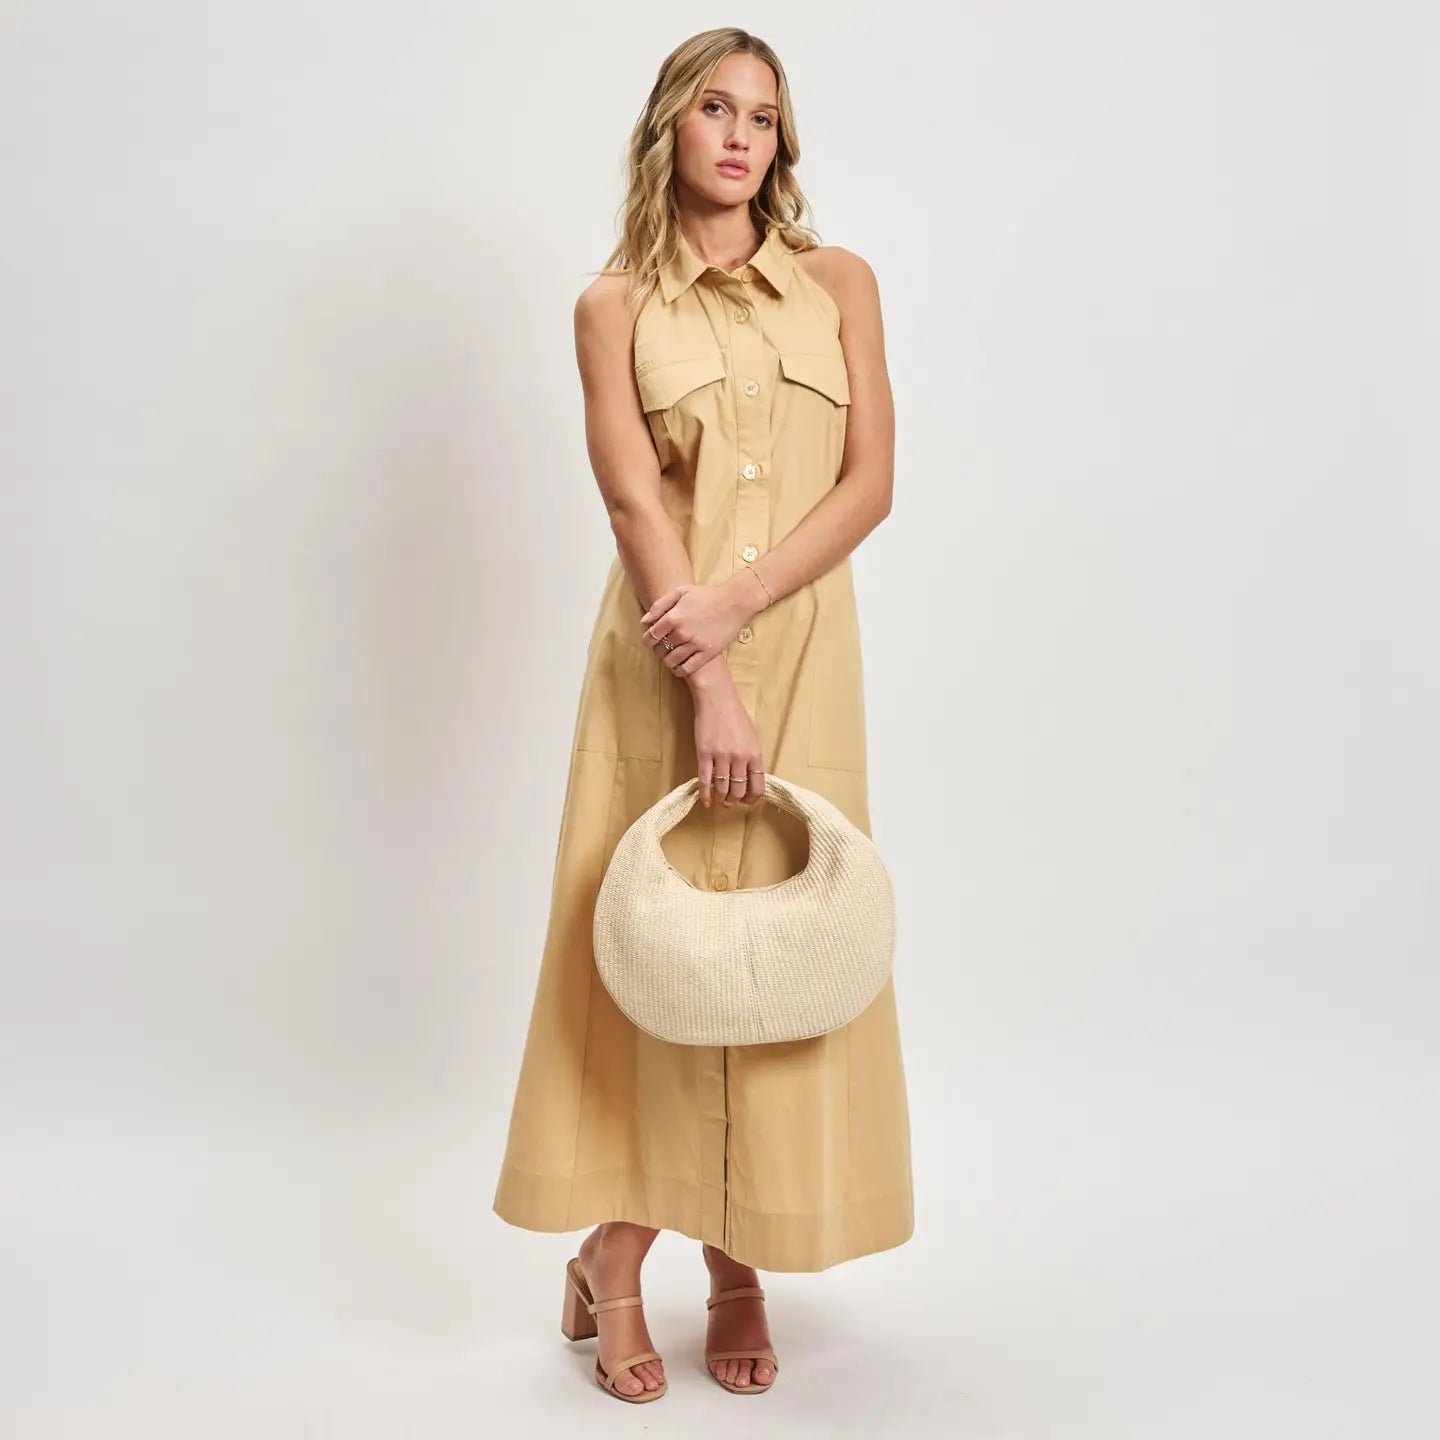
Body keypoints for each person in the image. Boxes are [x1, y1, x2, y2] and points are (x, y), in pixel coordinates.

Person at [492, 26, 914, 1402]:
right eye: (716, 109)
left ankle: (733, 1259)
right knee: (651, 958)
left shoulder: (839, 284)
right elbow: (632, 500)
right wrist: (709, 673)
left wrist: (746, 609)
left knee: (781, 957)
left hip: (805, 659)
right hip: (666, 665)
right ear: (669, 125)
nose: (741, 136)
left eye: (763, 118)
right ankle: (616, 1265)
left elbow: (869, 484)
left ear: (782, 143)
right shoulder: (613, 306)